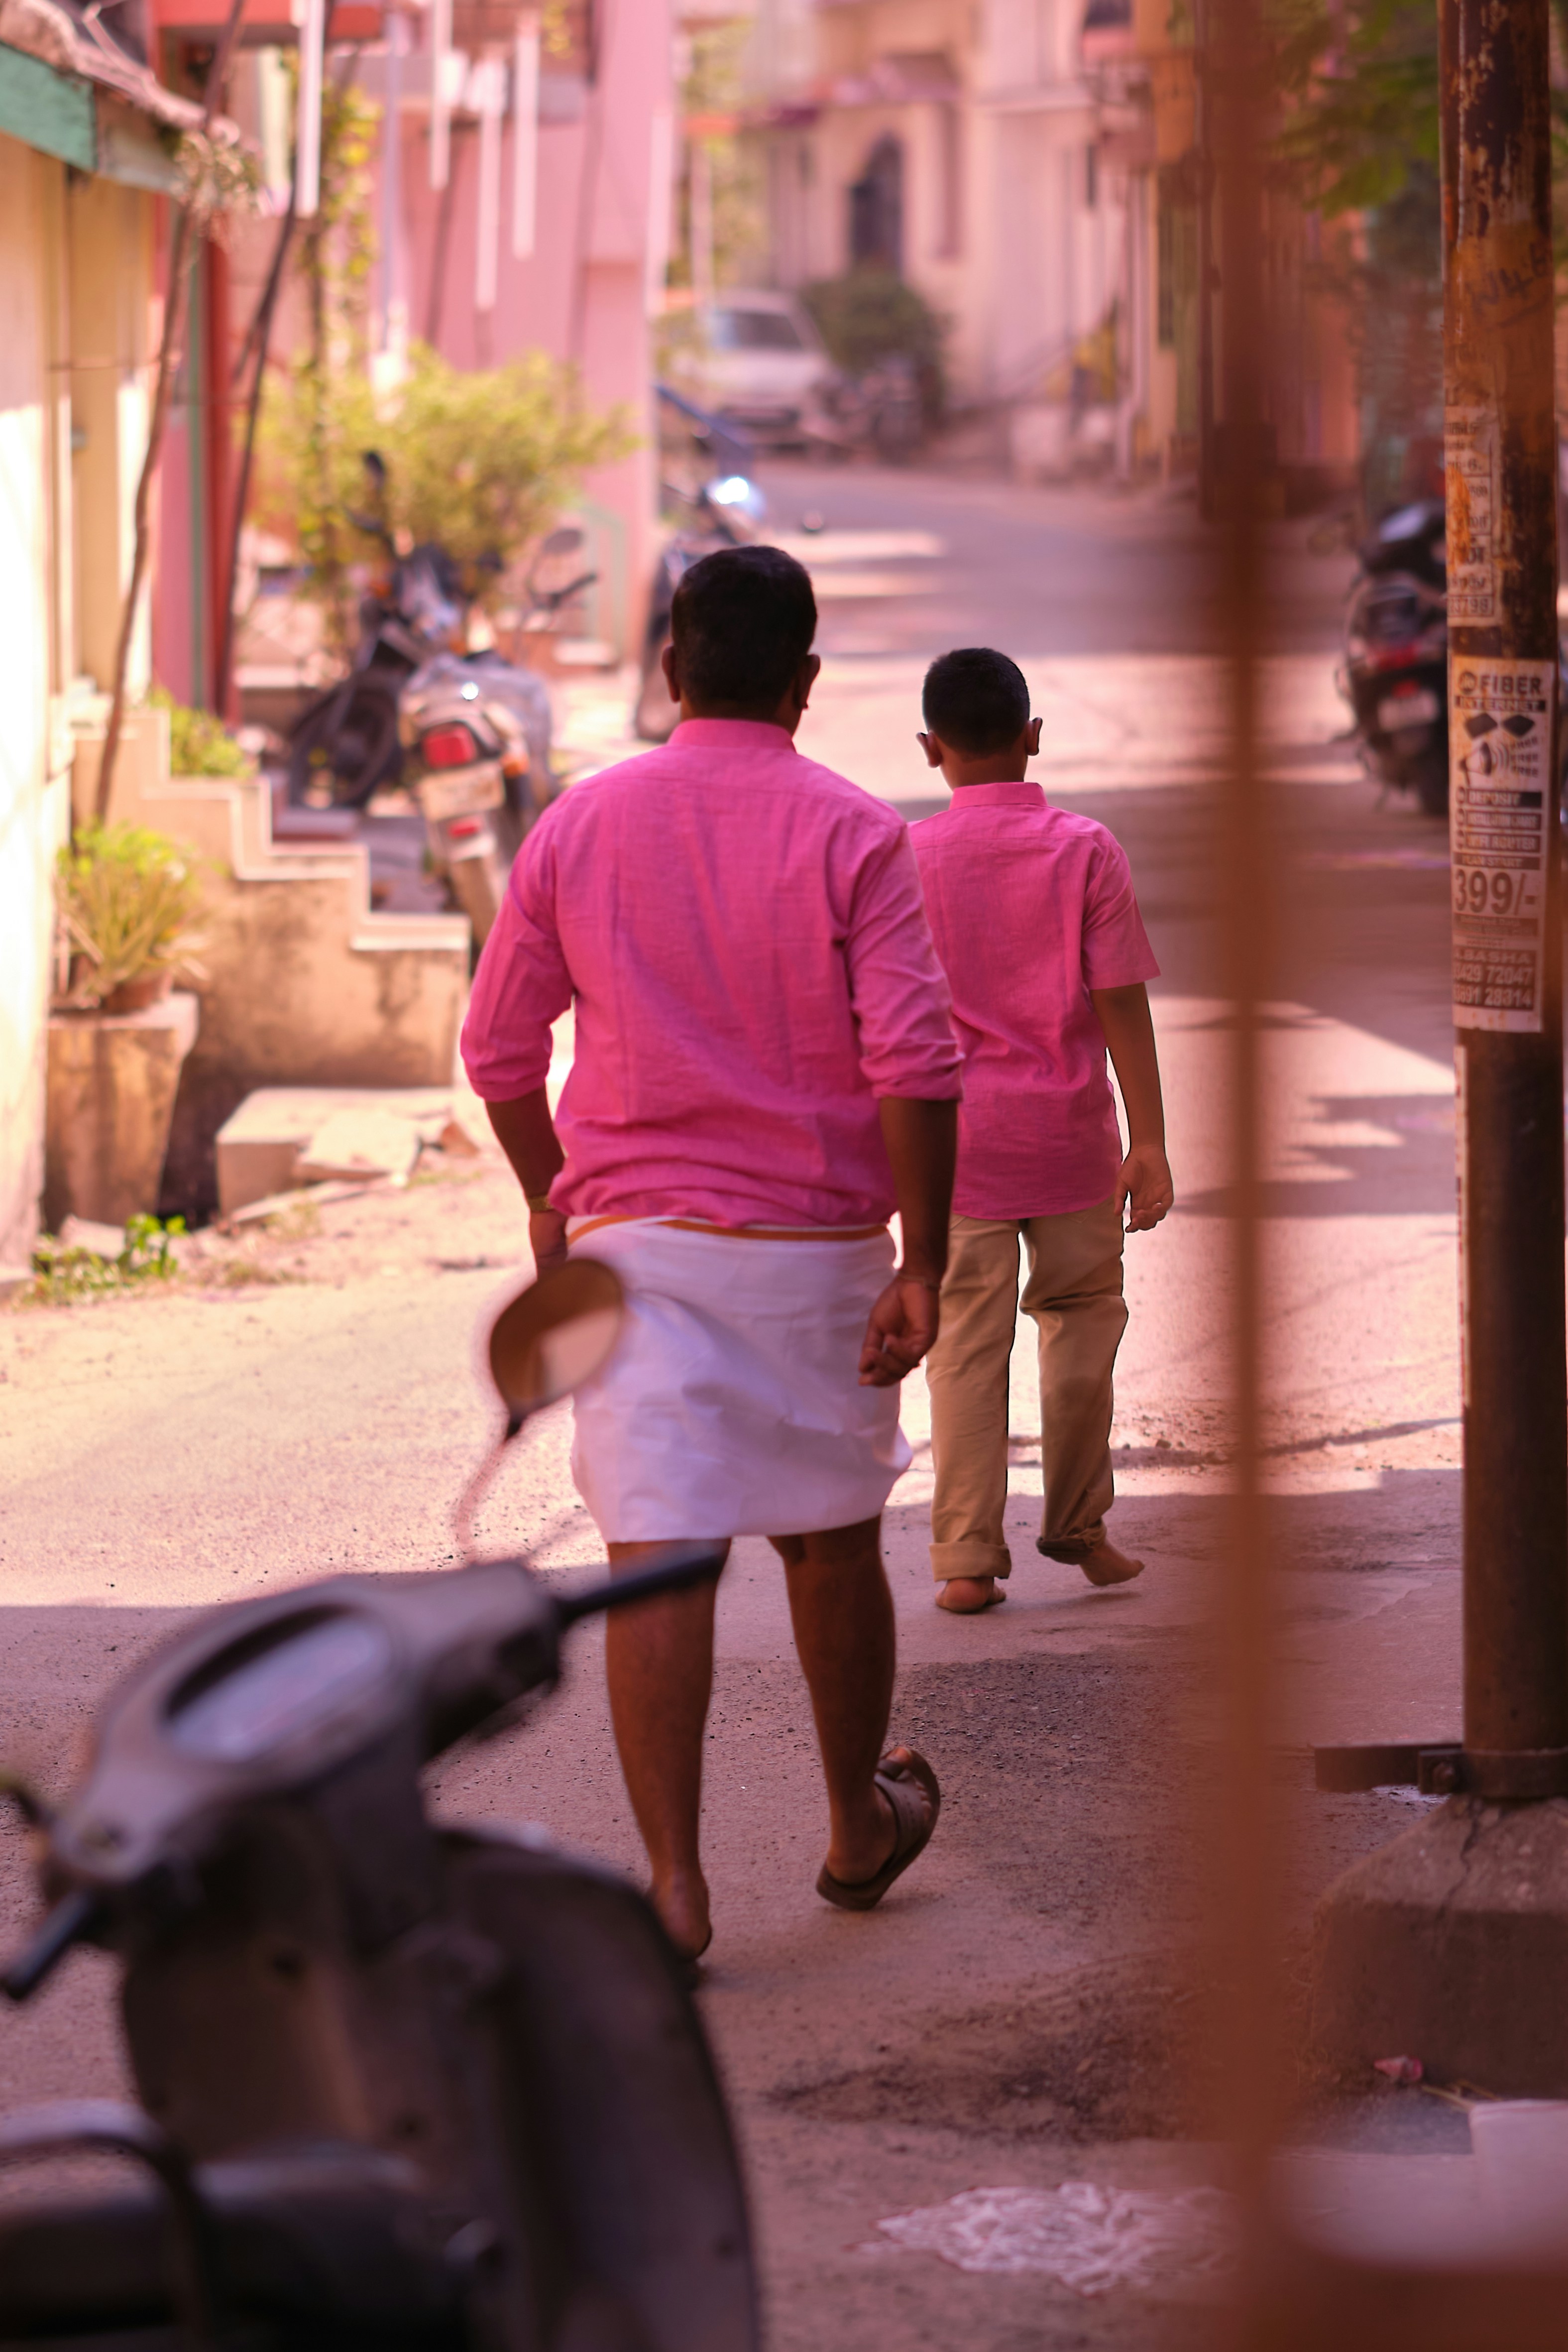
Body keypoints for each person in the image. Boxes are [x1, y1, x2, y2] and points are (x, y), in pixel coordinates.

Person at [460, 545, 963, 1964]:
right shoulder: (857, 831)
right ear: (806, 682)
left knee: (657, 1556)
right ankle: (855, 1827)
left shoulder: (578, 822)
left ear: (670, 669)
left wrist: (552, 1198)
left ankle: (674, 1887)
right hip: (810, 1252)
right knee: (828, 1539)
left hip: (635, 1255)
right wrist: (921, 1262)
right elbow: (916, 1065)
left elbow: (498, 1051)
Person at [909, 648, 1173, 1616]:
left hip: (954, 1156)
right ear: (1032, 739)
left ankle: (967, 1556)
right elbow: (1120, 1002)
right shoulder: (1085, 850)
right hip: (1068, 1143)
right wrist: (1148, 1138)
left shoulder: (905, 857)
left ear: (931, 749)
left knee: (965, 1352)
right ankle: (1079, 1525)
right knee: (1080, 1330)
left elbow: (883, 1022)